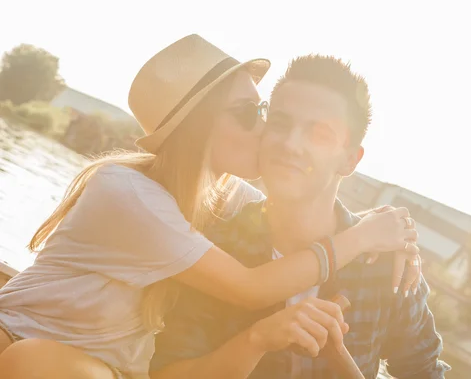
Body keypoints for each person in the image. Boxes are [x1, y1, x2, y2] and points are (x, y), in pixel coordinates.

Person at [0, 35, 421, 379]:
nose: (267, 129)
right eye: (249, 113)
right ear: (197, 127)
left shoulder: (227, 197)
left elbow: (305, 205)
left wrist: (392, 233)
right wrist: (363, 237)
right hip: (21, 348)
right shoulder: (127, 192)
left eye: (263, 111)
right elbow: (250, 287)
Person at [150, 55, 450, 379]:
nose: (291, 145)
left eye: (319, 134)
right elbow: (169, 372)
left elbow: (425, 371)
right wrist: (256, 340)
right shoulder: (216, 246)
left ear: (350, 160)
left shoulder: (388, 264)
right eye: (280, 123)